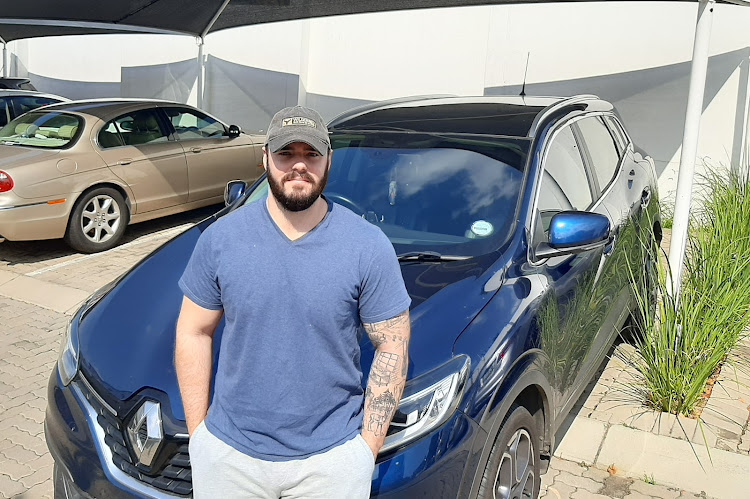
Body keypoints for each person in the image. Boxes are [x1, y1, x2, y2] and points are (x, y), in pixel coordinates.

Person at [174, 105, 411, 499]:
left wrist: (364, 451)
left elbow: (393, 345)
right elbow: (193, 331)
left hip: (331, 461)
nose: (298, 166)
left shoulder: (367, 247)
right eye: (286, 154)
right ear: (264, 157)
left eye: (311, 154)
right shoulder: (221, 239)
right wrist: (200, 438)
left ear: (328, 161)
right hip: (230, 456)